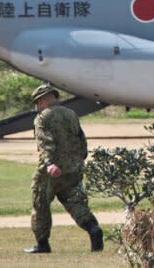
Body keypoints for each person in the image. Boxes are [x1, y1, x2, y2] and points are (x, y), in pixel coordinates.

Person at [25, 83, 103, 254]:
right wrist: (79, 160)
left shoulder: (42, 118)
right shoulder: (71, 114)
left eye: (38, 102)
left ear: (44, 100)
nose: (37, 106)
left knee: (40, 203)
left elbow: (45, 143)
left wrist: (49, 164)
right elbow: (81, 139)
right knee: (75, 202)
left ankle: (42, 243)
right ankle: (93, 229)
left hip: (52, 170)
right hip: (73, 168)